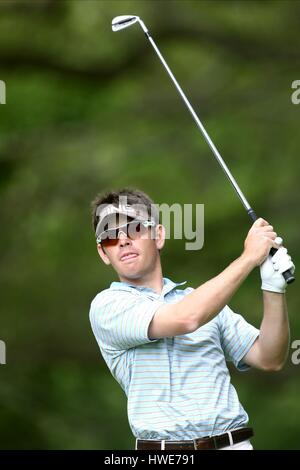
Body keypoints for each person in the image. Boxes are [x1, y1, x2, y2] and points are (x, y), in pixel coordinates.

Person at [89, 187, 295, 450]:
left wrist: (273, 289)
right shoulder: (108, 307)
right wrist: (248, 258)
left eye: (135, 228)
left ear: (158, 235)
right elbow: (186, 319)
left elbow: (269, 357)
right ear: (103, 253)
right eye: (109, 237)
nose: (123, 240)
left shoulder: (202, 300)